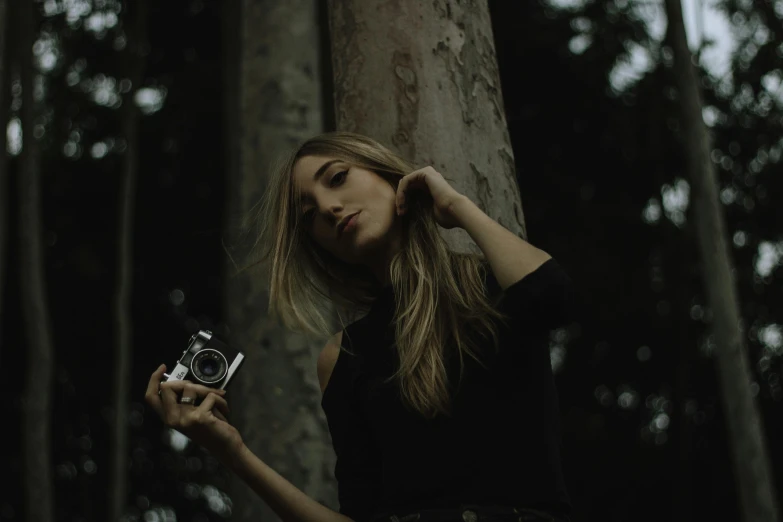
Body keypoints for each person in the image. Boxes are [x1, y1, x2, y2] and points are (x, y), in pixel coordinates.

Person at [145, 132, 575, 522]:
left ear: (388, 175)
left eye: (337, 178)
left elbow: (552, 297)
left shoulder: (494, 285)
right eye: (309, 215)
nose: (330, 208)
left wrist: (456, 206)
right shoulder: (342, 357)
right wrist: (233, 453)